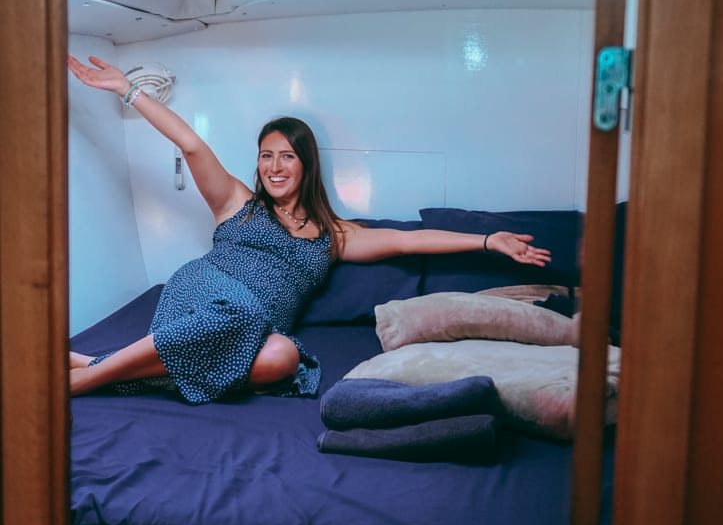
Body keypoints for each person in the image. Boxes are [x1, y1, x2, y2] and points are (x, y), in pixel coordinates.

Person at [67, 54, 552, 404]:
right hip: (205, 293)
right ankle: (87, 381)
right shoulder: (238, 202)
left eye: (288, 156)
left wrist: (488, 240)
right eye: (266, 155)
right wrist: (129, 91)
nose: (275, 167)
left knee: (282, 358)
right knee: (237, 308)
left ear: (306, 164)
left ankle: (98, 364)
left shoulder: (333, 234)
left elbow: (409, 240)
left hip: (259, 330)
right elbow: (192, 145)